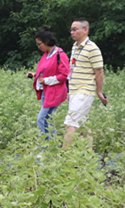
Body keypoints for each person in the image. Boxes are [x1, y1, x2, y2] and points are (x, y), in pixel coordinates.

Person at [63, 18, 107, 147]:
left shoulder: (92, 48)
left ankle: (63, 156)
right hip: (75, 91)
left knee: (70, 124)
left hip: (84, 91)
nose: (72, 32)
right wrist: (70, 92)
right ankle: (89, 154)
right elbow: (73, 70)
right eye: (71, 30)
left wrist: (99, 92)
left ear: (85, 30)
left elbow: (99, 72)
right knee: (83, 126)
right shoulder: (75, 47)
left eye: (75, 29)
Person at [26, 27, 69, 140]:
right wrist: (35, 74)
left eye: (39, 44)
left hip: (54, 92)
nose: (38, 47)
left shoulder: (60, 54)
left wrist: (46, 80)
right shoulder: (46, 54)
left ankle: (46, 146)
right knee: (48, 119)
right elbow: (48, 70)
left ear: (46, 42)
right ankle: (51, 145)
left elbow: (64, 75)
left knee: (42, 119)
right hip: (45, 91)